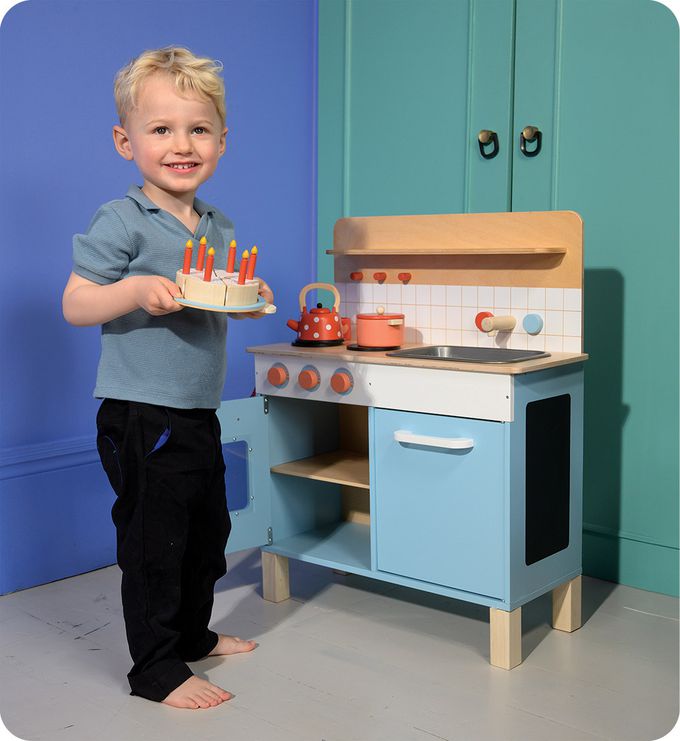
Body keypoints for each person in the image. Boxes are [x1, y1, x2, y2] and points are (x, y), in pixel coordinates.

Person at [62, 46, 272, 710]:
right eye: (161, 129)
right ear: (126, 142)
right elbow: (75, 304)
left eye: (198, 129)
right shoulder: (121, 220)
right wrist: (133, 290)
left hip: (197, 407)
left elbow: (218, 294)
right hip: (140, 412)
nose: (182, 144)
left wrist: (249, 296)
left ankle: (190, 635)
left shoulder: (217, 224)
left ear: (221, 141)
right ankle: (155, 669)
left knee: (206, 533)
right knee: (156, 543)